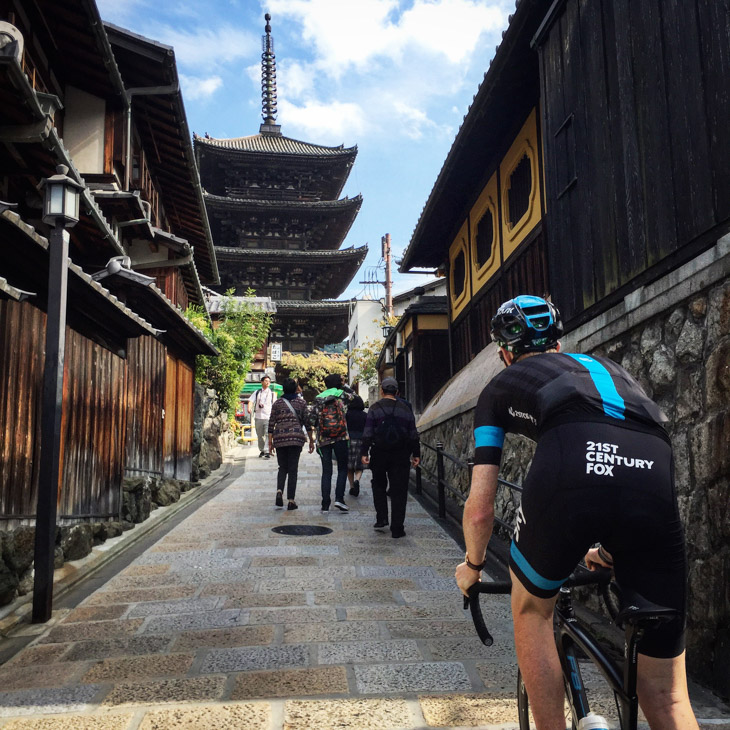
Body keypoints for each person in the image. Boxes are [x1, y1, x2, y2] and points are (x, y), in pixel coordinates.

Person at [454, 295, 698, 730]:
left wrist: (472, 566)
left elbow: (479, 511)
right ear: (559, 346)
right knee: (669, 695)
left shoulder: (499, 386)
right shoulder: (608, 369)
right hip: (653, 462)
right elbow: (620, 469)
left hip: (572, 460)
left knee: (531, 609)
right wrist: (606, 551)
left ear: (504, 354)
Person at [361, 376, 420, 538]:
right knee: (399, 489)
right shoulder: (405, 409)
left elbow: (368, 432)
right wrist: (416, 453)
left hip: (379, 452)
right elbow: (413, 433)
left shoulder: (374, 408)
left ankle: (381, 518)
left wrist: (364, 452)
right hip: (401, 454)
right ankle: (397, 528)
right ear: (397, 392)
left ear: (381, 391)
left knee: (378, 484)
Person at [268, 378, 314, 510]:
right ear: (295, 389)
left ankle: (279, 491)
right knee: (293, 469)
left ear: (283, 389)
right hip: (295, 438)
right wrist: (311, 440)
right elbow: (307, 422)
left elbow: (271, 423)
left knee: (282, 467)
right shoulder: (301, 403)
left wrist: (270, 443)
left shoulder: (277, 403)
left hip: (280, 438)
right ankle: (291, 500)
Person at [311, 373, 355, 512]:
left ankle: (325, 504)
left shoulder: (318, 398)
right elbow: (355, 397)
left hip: (324, 438)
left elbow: (312, 419)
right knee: (342, 468)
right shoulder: (342, 395)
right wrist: (344, 386)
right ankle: (339, 499)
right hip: (341, 437)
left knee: (326, 471)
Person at [248, 375, 276, 458]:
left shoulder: (272, 393)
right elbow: (250, 400)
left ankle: (267, 450)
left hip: (268, 417)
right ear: (262, 382)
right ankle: (262, 450)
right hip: (258, 416)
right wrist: (249, 408)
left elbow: (275, 405)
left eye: (269, 381)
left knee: (268, 434)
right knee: (260, 435)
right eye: (266, 381)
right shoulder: (257, 392)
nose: (268, 382)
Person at [345, 395, 367, 496]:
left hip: (349, 440)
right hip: (361, 441)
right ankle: (357, 480)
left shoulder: (347, 415)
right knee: (359, 464)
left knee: (349, 465)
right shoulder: (365, 415)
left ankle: (352, 487)